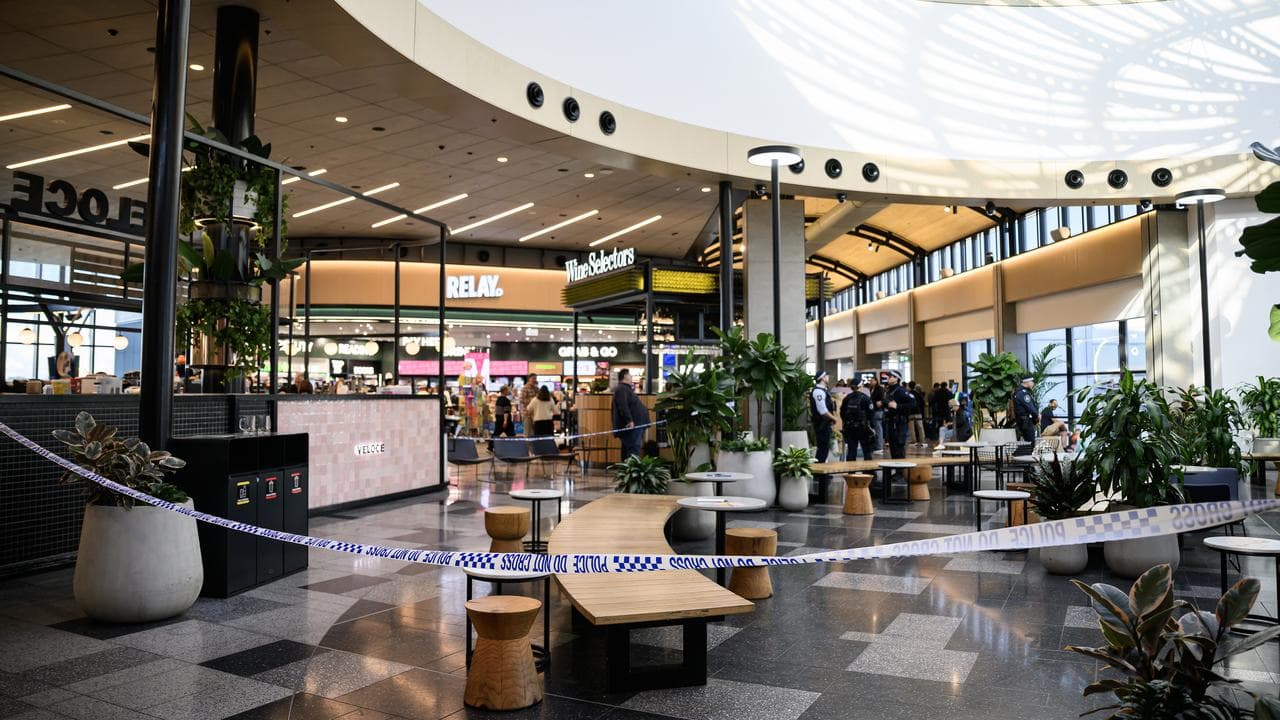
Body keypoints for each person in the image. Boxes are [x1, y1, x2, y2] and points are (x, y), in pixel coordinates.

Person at [611, 368, 649, 460]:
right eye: (630, 375)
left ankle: (627, 471)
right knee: (633, 449)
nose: (631, 376)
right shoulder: (621, 389)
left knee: (630, 448)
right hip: (632, 426)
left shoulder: (625, 389)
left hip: (635, 425)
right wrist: (629, 420)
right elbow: (623, 406)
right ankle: (631, 471)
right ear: (625, 376)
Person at [882, 371, 915, 459]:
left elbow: (913, 403)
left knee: (898, 446)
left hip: (899, 423)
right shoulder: (889, 391)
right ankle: (897, 470)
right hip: (890, 422)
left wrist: (898, 406)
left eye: (891, 376)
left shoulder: (901, 390)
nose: (888, 378)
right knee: (893, 447)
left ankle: (900, 471)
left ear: (896, 378)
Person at [840, 382, 876, 460]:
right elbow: (871, 413)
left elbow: (842, 412)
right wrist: (872, 426)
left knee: (851, 451)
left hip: (850, 428)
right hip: (863, 428)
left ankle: (851, 471)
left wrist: (845, 423)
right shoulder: (866, 398)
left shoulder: (847, 398)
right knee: (866, 451)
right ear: (861, 386)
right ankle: (868, 470)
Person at [810, 371, 837, 463]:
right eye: (827, 376)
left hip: (824, 423)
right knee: (822, 448)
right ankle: (819, 474)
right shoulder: (818, 392)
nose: (828, 377)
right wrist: (834, 418)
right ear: (822, 378)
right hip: (821, 424)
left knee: (824, 448)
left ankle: (821, 473)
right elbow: (823, 411)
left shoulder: (824, 390)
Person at [1013, 377, 1039, 442]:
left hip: (1023, 421)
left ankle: (1020, 452)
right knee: (1030, 442)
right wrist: (1037, 415)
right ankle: (1017, 453)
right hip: (1025, 421)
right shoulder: (1023, 393)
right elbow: (1030, 407)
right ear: (1027, 382)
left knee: (1028, 442)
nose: (1033, 384)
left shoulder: (1021, 391)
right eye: (1032, 382)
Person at [868, 374, 885, 451]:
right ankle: (876, 445)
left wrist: (875, 402)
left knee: (878, 429)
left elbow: (880, 400)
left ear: (876, 381)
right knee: (875, 429)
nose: (870, 382)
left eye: (872, 381)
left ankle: (879, 447)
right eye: (870, 381)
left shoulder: (879, 389)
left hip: (878, 411)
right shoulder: (871, 389)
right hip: (873, 410)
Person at [907, 380, 927, 445]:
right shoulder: (917, 393)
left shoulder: (908, 394)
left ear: (909, 386)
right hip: (918, 412)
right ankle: (922, 440)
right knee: (920, 427)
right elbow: (923, 402)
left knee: (911, 428)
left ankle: (913, 441)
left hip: (910, 412)